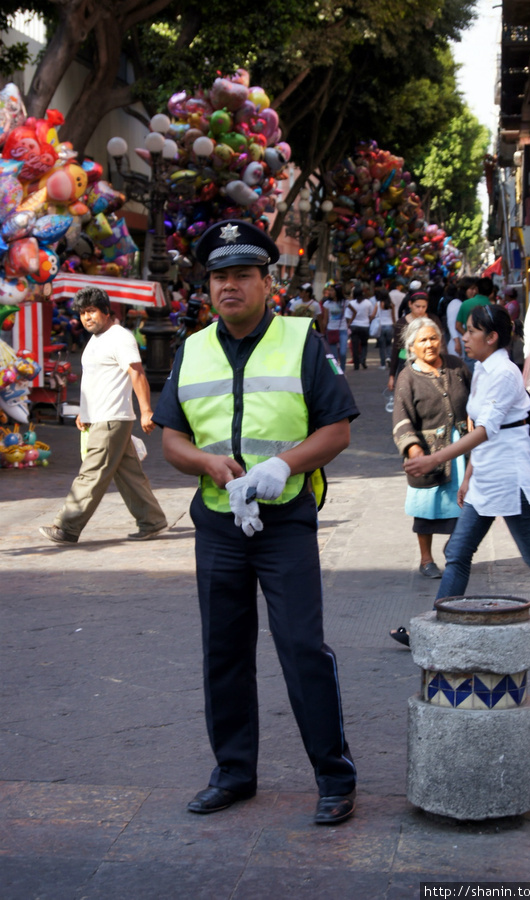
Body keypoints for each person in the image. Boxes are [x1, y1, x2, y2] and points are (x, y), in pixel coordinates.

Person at [152, 219, 358, 824]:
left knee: (301, 649)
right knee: (224, 651)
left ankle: (335, 777)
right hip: (219, 525)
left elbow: (338, 428)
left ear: (267, 282)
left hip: (285, 520)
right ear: (207, 286)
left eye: (243, 274)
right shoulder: (191, 350)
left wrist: (283, 466)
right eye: (220, 277)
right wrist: (206, 462)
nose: (230, 286)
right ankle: (234, 772)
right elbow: (170, 440)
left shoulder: (302, 341)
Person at [395, 304, 530, 653]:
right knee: (458, 552)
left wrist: (437, 457)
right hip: (488, 474)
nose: (465, 336)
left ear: (492, 337)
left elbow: (487, 429)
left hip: (507, 475)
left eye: (473, 331)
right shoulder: (483, 368)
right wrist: (469, 475)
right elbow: (480, 427)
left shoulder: (503, 372)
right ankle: (436, 626)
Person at [39, 287, 169, 545]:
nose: (87, 317)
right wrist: (83, 412)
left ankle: (66, 527)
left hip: (112, 419)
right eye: (83, 313)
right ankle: (152, 520)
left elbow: (137, 373)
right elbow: (95, 381)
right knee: (129, 474)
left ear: (106, 311)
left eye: (92, 311)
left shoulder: (119, 337)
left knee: (92, 472)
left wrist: (146, 411)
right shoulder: (96, 340)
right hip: (101, 417)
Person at [392, 317, 470, 578]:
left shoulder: (456, 367)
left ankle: (454, 550)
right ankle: (426, 559)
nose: (429, 344)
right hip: (428, 452)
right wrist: (414, 450)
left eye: (433, 338)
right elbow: (401, 419)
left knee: (466, 504)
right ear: (411, 347)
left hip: (461, 449)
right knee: (426, 508)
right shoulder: (408, 377)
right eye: (422, 340)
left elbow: (476, 397)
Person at [387, 290, 441, 392]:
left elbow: (440, 343)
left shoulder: (433, 320)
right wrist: (392, 375)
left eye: (424, 307)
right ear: (410, 304)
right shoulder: (402, 323)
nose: (421, 310)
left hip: (430, 362)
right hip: (406, 363)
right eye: (417, 306)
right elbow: (396, 348)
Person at [321, 282, 350, 370]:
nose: (330, 292)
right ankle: (335, 373)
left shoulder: (345, 302)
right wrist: (323, 332)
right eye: (330, 291)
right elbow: (325, 319)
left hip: (343, 330)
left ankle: (342, 370)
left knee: (343, 353)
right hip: (331, 330)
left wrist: (349, 323)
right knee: (333, 356)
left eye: (332, 290)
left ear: (337, 292)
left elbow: (354, 311)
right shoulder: (327, 304)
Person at [346, 284, 374, 370]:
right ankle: (363, 359)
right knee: (364, 344)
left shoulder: (351, 303)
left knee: (354, 345)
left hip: (354, 326)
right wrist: (368, 321)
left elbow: (347, 316)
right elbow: (371, 315)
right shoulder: (368, 303)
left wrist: (349, 324)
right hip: (365, 326)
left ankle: (356, 364)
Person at [373, 288, 395, 368]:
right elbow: (393, 316)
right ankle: (389, 357)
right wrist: (395, 325)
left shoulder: (378, 304)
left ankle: (383, 364)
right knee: (389, 344)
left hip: (381, 326)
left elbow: (374, 314)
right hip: (389, 326)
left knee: (382, 346)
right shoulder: (391, 305)